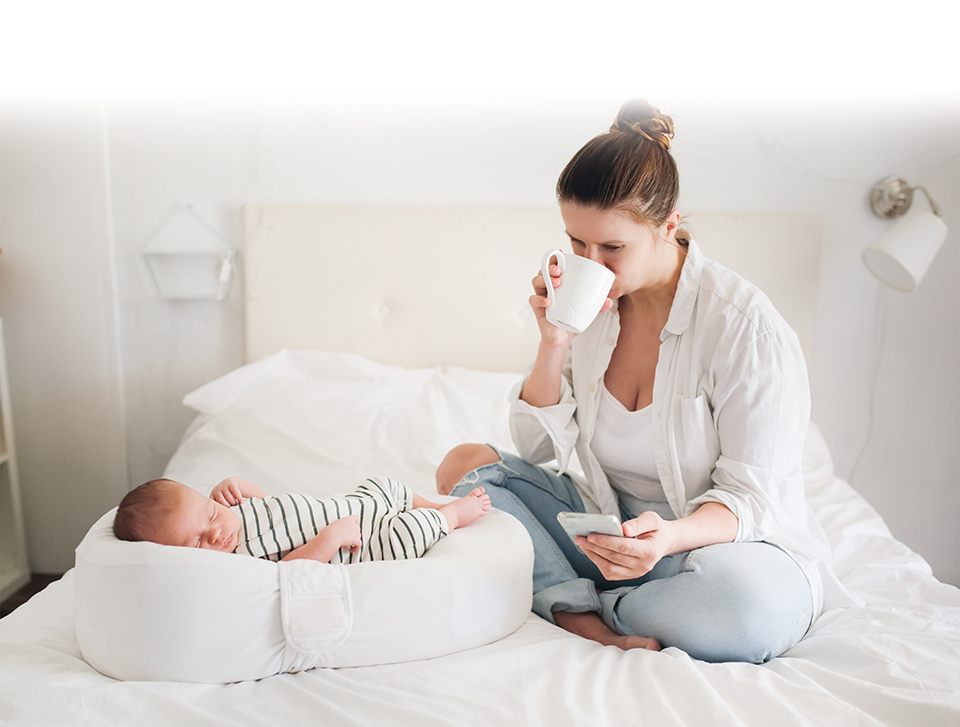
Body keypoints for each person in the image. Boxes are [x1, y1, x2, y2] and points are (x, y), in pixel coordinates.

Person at [435, 98, 843, 663]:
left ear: (668, 227)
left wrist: (668, 540)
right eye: (577, 243)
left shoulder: (745, 329)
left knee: (747, 615)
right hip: (611, 534)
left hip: (718, 550)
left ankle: (574, 596)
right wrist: (555, 340)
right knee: (466, 469)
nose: (590, 263)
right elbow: (534, 447)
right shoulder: (595, 310)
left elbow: (753, 498)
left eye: (611, 247)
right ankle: (583, 611)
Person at [113, 474, 491, 563]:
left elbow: (274, 508)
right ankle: (450, 517)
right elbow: (289, 571)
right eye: (196, 542)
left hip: (352, 506)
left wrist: (241, 487)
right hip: (359, 543)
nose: (215, 533)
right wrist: (329, 540)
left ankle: (431, 506)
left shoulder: (231, 514)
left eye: (210, 514)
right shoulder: (240, 561)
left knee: (385, 483)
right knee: (405, 536)